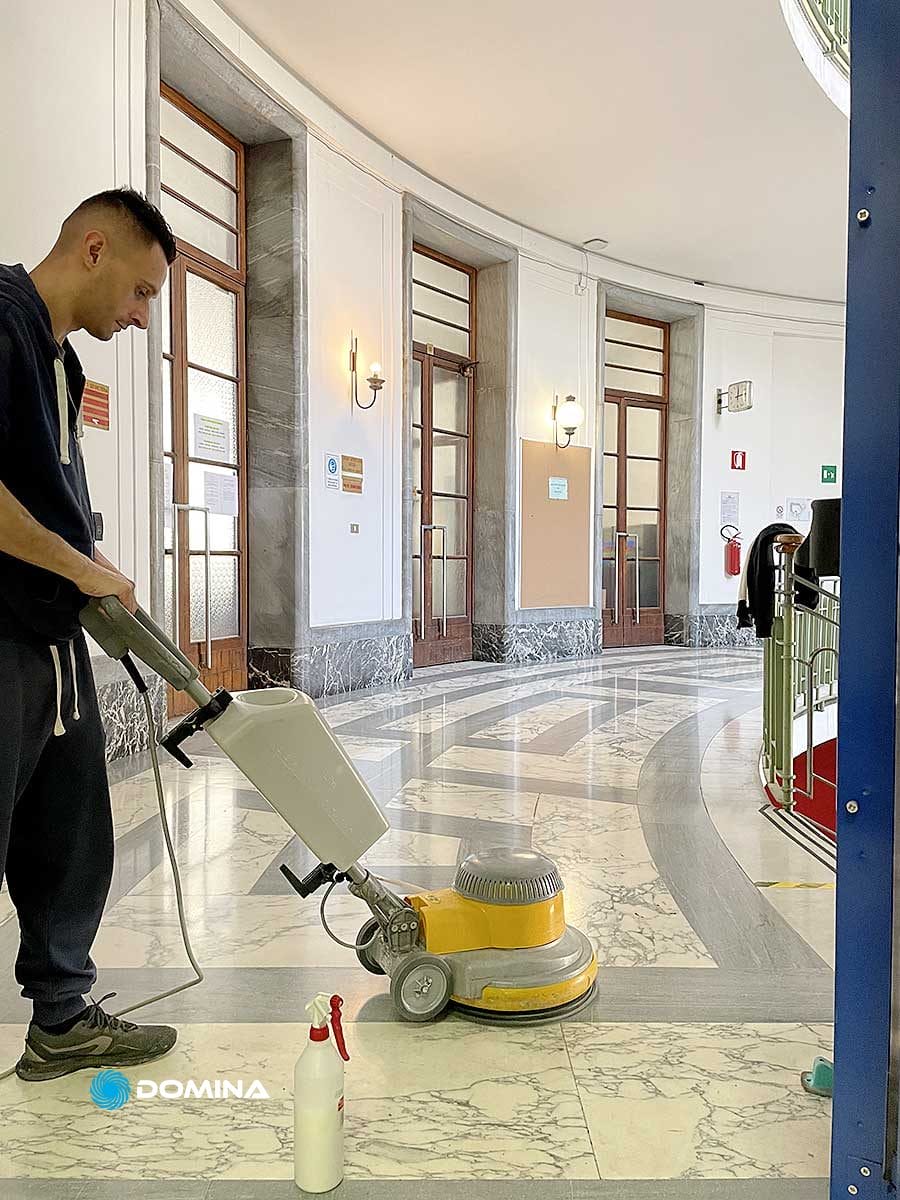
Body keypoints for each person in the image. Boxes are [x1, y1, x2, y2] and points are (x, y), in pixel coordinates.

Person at [0, 188, 177, 1081]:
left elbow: (48, 498)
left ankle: (62, 1020)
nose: (143, 317)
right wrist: (78, 570)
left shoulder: (64, 366)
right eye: (143, 293)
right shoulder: (0, 325)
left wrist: (94, 561)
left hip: (51, 637)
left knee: (71, 831)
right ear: (95, 250)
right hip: (1, 637)